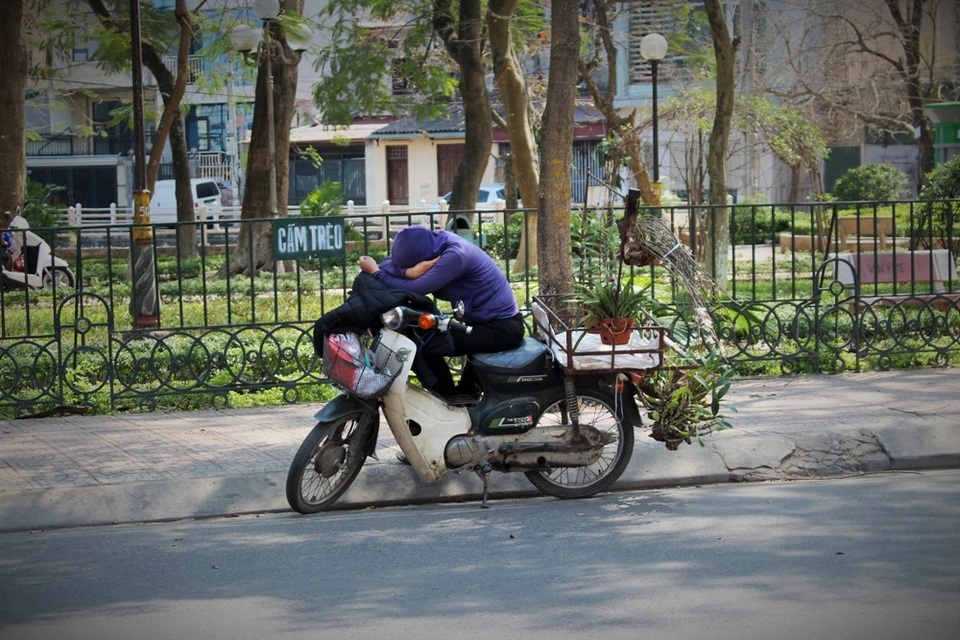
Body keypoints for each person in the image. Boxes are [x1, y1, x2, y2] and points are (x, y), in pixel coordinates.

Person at [359, 225, 524, 398]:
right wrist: (408, 271)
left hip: (501, 328)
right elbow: (388, 263)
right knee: (423, 340)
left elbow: (416, 288)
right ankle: (459, 399)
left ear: (425, 257)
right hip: (479, 323)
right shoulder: (435, 243)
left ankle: (447, 401)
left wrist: (377, 273)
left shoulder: (456, 255)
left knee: (427, 344)